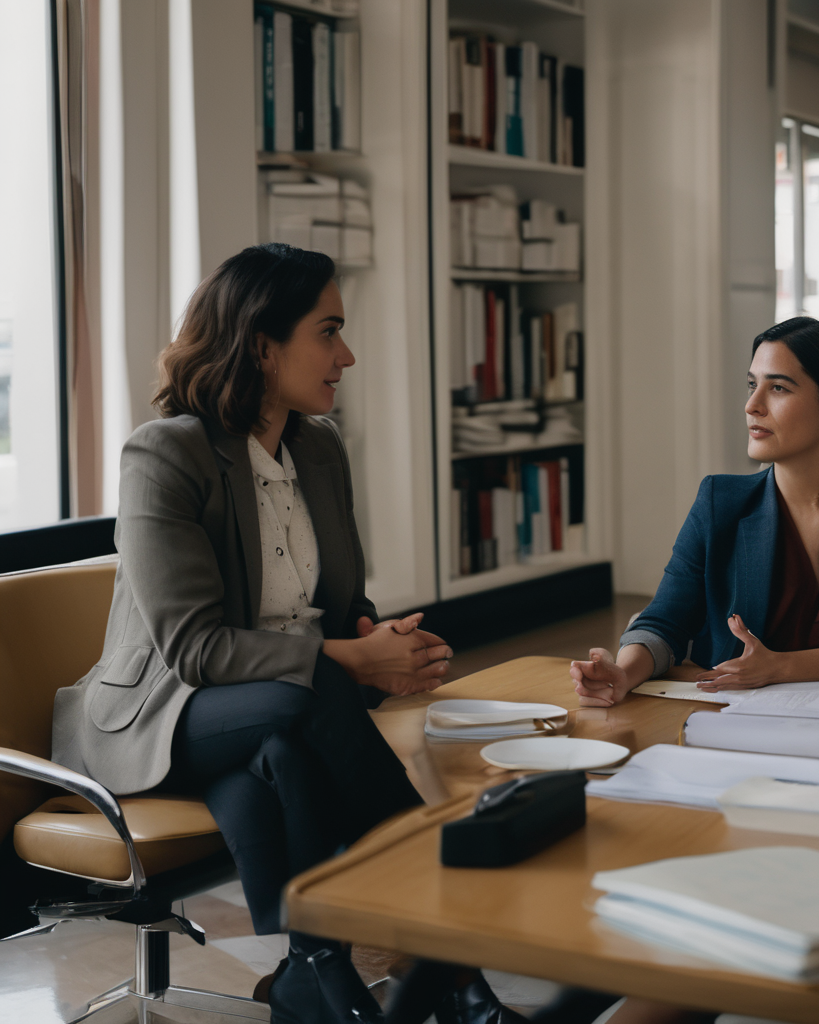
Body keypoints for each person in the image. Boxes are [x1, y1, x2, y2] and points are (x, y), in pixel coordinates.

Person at [50, 244, 520, 1024]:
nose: (347, 356)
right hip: (167, 710)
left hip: (277, 712)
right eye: (328, 331)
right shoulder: (165, 454)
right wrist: (347, 660)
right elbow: (197, 649)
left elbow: (331, 604)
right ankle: (453, 942)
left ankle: (313, 968)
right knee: (306, 701)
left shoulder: (320, 449)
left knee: (277, 753)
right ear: (262, 345)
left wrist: (372, 635)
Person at [572, 316, 819, 708]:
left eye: (777, 387)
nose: (752, 405)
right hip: (730, 720)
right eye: (752, 384)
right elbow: (665, 621)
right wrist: (624, 673)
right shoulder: (719, 500)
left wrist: (779, 668)